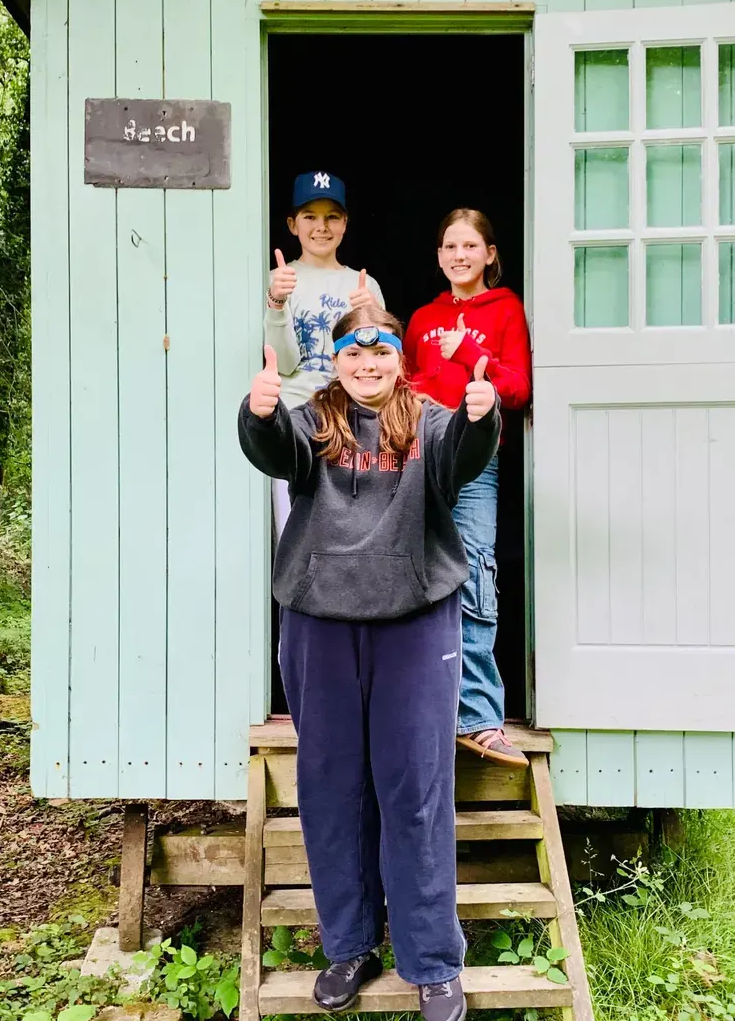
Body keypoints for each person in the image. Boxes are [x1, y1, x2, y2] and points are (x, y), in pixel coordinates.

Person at [238, 303, 500, 1021]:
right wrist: (258, 413)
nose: (367, 365)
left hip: (415, 621)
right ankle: (349, 946)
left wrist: (483, 418)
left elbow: (464, 455)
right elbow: (272, 451)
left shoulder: (431, 421)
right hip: (320, 621)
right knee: (331, 787)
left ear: (399, 358)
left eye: (380, 352)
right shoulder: (309, 420)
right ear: (337, 358)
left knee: (414, 787)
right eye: (354, 353)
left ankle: (433, 962)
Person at [404, 210, 532, 768]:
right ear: (439, 256)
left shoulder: (505, 310)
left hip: (477, 463)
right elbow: (401, 386)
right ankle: (417, 707)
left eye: (470, 246)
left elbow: (520, 389)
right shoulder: (421, 319)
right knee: (413, 575)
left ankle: (479, 718)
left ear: (489, 254)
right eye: (450, 246)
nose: (459, 255)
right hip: (420, 460)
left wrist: (471, 356)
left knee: (475, 574)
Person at [264, 170, 384, 540]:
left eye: (332, 216)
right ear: (292, 224)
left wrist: (370, 320)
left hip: (351, 424)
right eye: (310, 217)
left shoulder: (363, 285)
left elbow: (379, 366)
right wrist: (277, 302)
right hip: (295, 421)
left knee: (351, 533)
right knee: (293, 533)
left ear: (345, 223)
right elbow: (282, 364)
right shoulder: (278, 278)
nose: (321, 227)